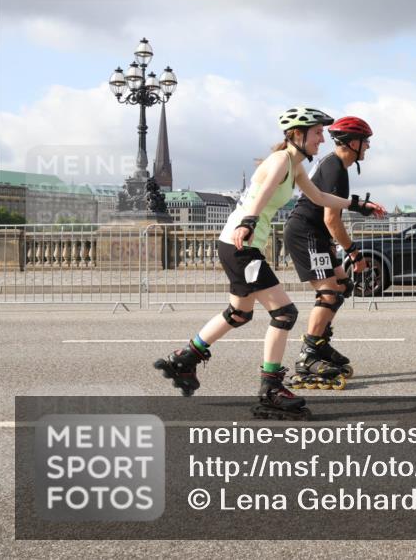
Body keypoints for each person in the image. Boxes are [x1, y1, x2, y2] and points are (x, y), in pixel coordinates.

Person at [153, 107, 385, 420]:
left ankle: (184, 358)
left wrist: (358, 205)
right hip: (241, 245)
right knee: (284, 313)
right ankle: (271, 388)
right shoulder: (281, 161)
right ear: (299, 134)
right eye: (317, 133)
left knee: (239, 313)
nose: (322, 139)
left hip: (238, 245)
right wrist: (247, 222)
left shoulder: (296, 166)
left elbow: (319, 198)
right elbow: (260, 194)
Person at [283, 116, 375, 389]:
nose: (368, 146)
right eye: (366, 141)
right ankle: (308, 355)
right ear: (352, 143)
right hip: (306, 233)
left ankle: (320, 344)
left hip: (317, 235)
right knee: (329, 292)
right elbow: (331, 220)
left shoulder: (336, 166)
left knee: (342, 286)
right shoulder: (335, 167)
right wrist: (354, 254)